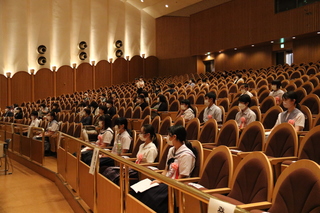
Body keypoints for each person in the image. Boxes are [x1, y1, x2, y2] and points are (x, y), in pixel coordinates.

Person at [132, 125, 196, 213]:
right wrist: (159, 179)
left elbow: (182, 177)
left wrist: (162, 181)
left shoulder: (187, 155)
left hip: (176, 184)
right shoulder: (171, 150)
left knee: (150, 195)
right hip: (166, 180)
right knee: (140, 190)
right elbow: (166, 170)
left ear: (174, 137)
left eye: (169, 135)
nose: (167, 137)